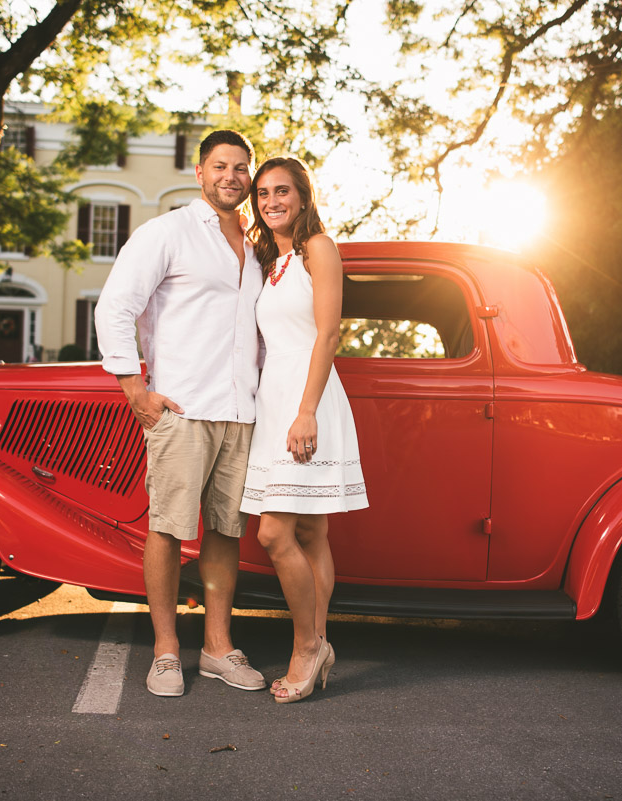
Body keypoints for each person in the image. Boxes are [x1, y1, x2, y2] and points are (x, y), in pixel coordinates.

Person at [94, 130, 267, 697]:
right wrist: (135, 390)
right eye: (221, 166)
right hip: (183, 407)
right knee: (168, 528)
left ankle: (217, 648)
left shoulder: (258, 243)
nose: (232, 177)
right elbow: (116, 306)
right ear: (199, 172)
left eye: (242, 168)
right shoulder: (166, 232)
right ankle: (166, 651)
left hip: (242, 411)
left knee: (224, 531)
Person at [241, 157, 368, 704]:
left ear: (302, 195)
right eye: (263, 193)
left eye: (282, 191)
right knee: (312, 534)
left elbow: (329, 334)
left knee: (274, 533)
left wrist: (307, 410)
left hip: (307, 401)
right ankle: (320, 640)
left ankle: (307, 645)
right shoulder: (274, 260)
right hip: (275, 400)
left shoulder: (319, 247)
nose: (272, 201)